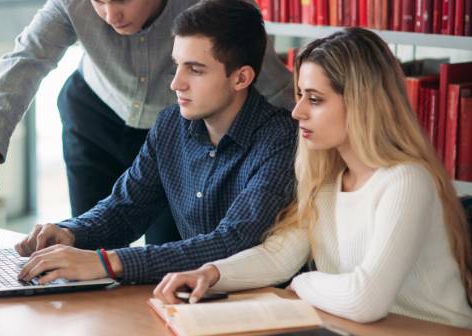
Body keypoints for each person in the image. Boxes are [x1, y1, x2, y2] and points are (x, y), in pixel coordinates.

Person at [0, 0, 293, 245]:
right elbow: (28, 58)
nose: (110, 15)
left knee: (166, 252)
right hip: (95, 116)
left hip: (175, 132)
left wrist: (308, 153)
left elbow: (266, 79)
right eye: (97, 2)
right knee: (82, 239)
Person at [153, 28, 472, 329]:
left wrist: (303, 282)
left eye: (315, 99)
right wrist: (210, 273)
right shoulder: (329, 181)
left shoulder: (405, 180)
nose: (297, 112)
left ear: (362, 105)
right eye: (300, 95)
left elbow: (366, 301)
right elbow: (278, 256)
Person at [14, 0, 297, 285]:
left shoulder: (281, 140)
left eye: (195, 70)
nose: (176, 83)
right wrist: (70, 232)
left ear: (241, 78)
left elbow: (231, 244)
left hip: (261, 306)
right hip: (192, 298)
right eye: (177, 66)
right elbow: (126, 208)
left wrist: (107, 263)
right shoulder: (171, 124)